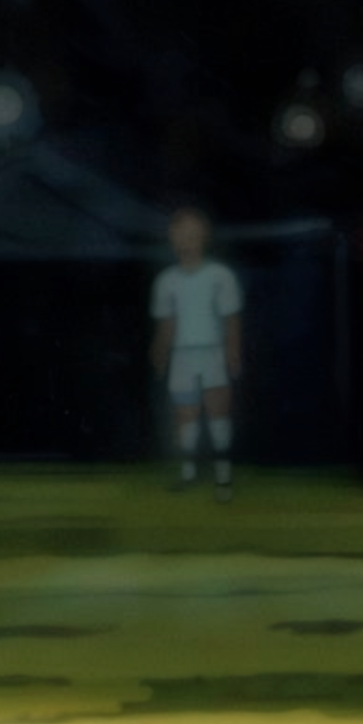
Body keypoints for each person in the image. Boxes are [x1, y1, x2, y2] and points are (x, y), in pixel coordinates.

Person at [149, 206, 243, 502]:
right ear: (172, 238)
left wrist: (233, 353)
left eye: (192, 234)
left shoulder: (220, 276)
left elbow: (231, 319)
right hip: (182, 357)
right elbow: (166, 324)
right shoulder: (166, 281)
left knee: (217, 414)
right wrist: (160, 353)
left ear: (204, 237)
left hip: (212, 353)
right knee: (185, 416)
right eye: (180, 235)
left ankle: (223, 478)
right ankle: (188, 474)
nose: (186, 241)